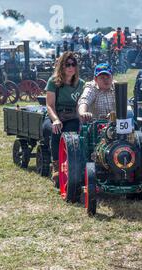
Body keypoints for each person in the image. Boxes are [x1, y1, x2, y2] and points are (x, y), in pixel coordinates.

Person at [42, 52, 85, 186]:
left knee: (72, 133)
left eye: (73, 64)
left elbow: (81, 104)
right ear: (62, 66)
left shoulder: (81, 83)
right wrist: (55, 120)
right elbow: (49, 105)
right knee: (56, 130)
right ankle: (56, 165)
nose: (71, 67)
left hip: (72, 116)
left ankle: (71, 165)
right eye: (67, 65)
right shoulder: (53, 82)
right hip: (55, 115)